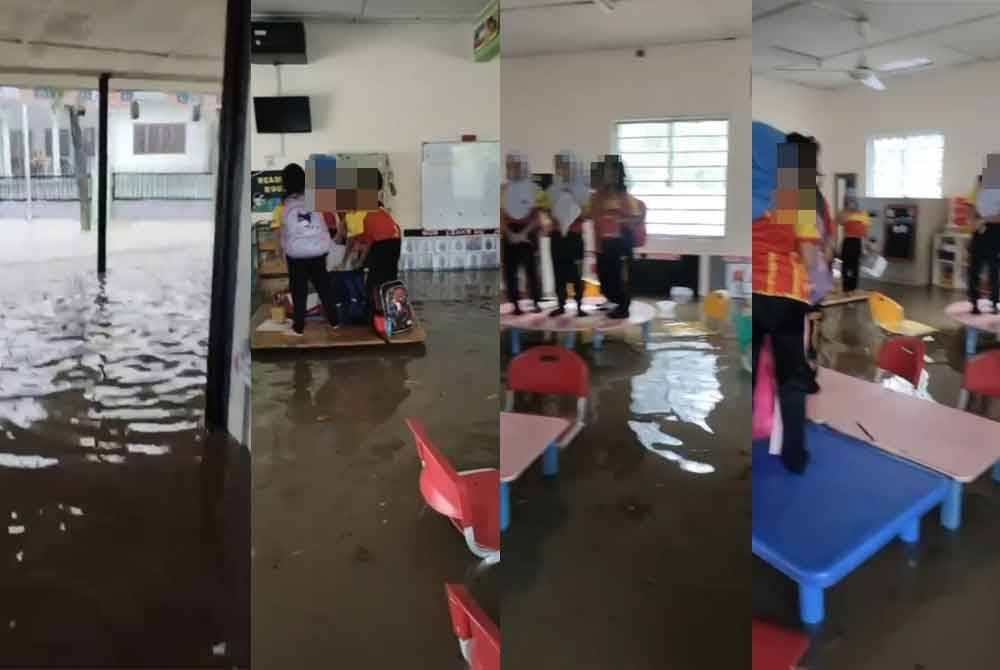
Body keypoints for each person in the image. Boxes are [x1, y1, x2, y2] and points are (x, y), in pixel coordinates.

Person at [751, 124, 821, 474]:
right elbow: (808, 252)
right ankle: (795, 455)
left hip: (752, 293)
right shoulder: (798, 195)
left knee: (752, 373)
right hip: (787, 293)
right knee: (791, 377)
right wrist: (819, 285)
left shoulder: (752, 188)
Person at [279, 162, 341, 336]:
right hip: (318, 251)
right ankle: (334, 321)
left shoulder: (285, 207)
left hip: (297, 254)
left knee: (299, 291)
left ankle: (299, 327)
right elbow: (324, 225)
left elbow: (284, 234)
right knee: (324, 287)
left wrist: (284, 253)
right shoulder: (315, 201)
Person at [590, 154, 644, 319]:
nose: (609, 176)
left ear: (619, 175)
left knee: (620, 278)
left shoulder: (626, 197)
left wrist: (619, 220)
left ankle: (623, 307)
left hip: (620, 243)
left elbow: (637, 217)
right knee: (604, 279)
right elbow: (589, 213)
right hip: (602, 243)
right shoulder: (598, 195)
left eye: (613, 172)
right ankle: (613, 300)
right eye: (607, 172)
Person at [542, 151, 590, 317]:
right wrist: (551, 219)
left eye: (565, 166)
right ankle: (561, 305)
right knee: (558, 272)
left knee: (576, 274)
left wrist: (577, 210)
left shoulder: (583, 190)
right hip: (557, 237)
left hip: (574, 237)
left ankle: (579, 306)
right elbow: (547, 211)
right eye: (559, 166)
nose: (562, 169)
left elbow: (587, 214)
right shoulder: (552, 190)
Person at [501, 152, 543, 315]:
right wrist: (510, 233)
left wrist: (525, 232)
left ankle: (536, 302)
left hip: (529, 232)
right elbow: (501, 214)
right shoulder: (503, 189)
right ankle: (515, 304)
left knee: (532, 269)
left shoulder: (534, 189)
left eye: (517, 166)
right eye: (510, 166)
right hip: (510, 232)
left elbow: (537, 215)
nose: (514, 169)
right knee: (510, 271)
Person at [359, 172, 403, 311]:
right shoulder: (381, 208)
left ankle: (377, 313)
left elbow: (366, 243)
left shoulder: (365, 209)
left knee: (374, 282)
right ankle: (392, 309)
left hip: (383, 243)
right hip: (395, 240)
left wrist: (359, 261)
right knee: (389, 277)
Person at [836, 190, 870, 293]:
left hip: (857, 242)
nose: (851, 201)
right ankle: (846, 288)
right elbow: (838, 222)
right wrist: (848, 212)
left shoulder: (862, 213)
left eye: (853, 199)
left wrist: (867, 246)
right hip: (847, 241)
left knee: (855, 267)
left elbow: (865, 232)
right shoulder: (843, 212)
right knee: (846, 266)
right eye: (849, 199)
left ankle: (853, 288)